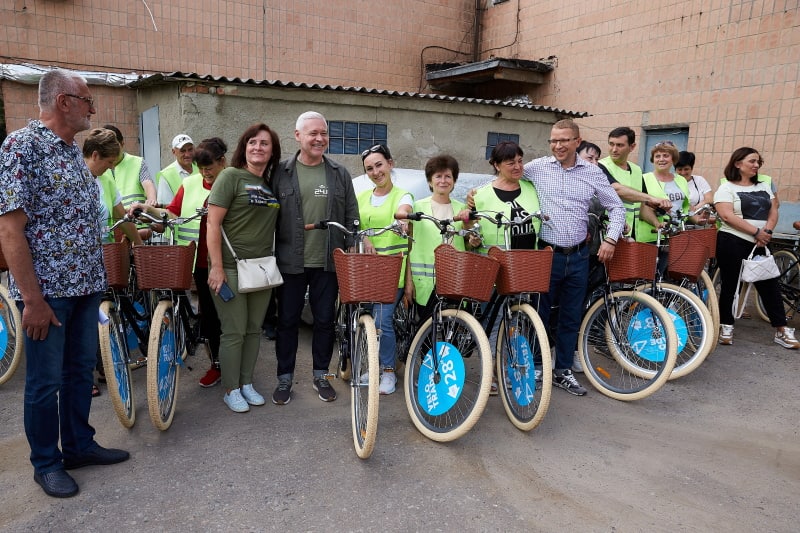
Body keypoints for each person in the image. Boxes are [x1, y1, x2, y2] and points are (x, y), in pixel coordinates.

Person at [0, 69, 129, 499]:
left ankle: (78, 446)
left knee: (77, 374)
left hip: (86, 285)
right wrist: (32, 301)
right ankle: (46, 463)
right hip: (48, 294)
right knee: (44, 381)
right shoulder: (22, 147)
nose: (93, 109)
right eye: (88, 100)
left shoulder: (73, 151)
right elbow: (10, 231)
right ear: (64, 102)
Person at [523, 119, 625, 396]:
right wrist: (474, 196)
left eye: (564, 140)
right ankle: (536, 366)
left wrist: (611, 238)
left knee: (571, 316)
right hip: (547, 254)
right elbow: (506, 179)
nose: (558, 145)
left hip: (579, 255)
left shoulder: (593, 173)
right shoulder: (537, 168)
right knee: (539, 315)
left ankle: (563, 370)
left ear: (577, 142)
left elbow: (616, 207)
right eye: (554, 140)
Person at [272, 111, 359, 405]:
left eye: (323, 133)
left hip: (328, 261)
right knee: (287, 321)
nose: (319, 138)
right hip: (289, 260)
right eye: (313, 133)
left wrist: (357, 244)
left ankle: (321, 375)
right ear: (298, 136)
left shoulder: (339, 173)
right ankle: (285, 378)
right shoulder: (280, 173)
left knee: (324, 321)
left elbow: (351, 216)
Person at [130, 138, 227, 388]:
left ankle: (237, 368)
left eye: (210, 167)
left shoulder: (233, 181)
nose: (206, 173)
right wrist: (146, 209)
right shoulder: (190, 183)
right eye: (201, 168)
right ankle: (217, 363)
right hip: (200, 262)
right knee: (210, 318)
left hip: (229, 262)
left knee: (231, 319)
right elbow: (171, 213)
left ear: (222, 162)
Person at [206, 124, 281, 412]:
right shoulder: (230, 177)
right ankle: (231, 388)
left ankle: (247, 383)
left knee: (253, 330)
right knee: (233, 331)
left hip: (261, 268)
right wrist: (216, 267)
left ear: (272, 151)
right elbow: (213, 223)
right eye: (252, 142)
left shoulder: (269, 184)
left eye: (264, 143)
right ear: (244, 147)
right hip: (231, 267)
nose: (258, 147)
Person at [713, 147, 798, 349]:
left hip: (760, 243)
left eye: (758, 162)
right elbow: (727, 216)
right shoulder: (726, 188)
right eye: (752, 161)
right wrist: (755, 232)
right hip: (732, 241)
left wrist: (766, 232)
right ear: (737, 163)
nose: (756, 165)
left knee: (769, 285)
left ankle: (782, 330)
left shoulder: (763, 186)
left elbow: (773, 210)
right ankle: (726, 326)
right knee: (730, 285)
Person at [357, 144, 413, 395]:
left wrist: (402, 219)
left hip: (393, 270)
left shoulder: (403, 195)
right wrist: (364, 237)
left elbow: (405, 211)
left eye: (379, 165)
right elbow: (356, 223)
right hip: (367, 270)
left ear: (390, 164)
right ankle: (375, 365)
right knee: (368, 320)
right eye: (369, 168)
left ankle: (389, 371)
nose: (375, 171)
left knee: (383, 321)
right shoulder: (361, 198)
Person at [406, 155, 469, 322]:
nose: (443, 181)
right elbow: (408, 247)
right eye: (438, 176)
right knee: (426, 331)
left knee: (454, 330)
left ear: (454, 181)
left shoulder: (462, 209)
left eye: (448, 176)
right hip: (425, 283)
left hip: (455, 281)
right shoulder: (417, 208)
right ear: (429, 181)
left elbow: (468, 243)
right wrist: (408, 282)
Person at [598, 127, 672, 239]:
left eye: (619, 145)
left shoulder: (637, 170)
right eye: (611, 144)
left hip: (631, 233)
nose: (614, 149)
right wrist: (651, 198)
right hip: (607, 233)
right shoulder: (600, 166)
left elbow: (642, 206)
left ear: (632, 147)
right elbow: (616, 189)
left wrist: (657, 224)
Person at [84, 128, 144, 247]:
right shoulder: (73, 178)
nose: (112, 167)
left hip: (107, 254)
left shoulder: (107, 179)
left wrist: (140, 245)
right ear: (95, 155)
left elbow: (122, 218)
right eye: (110, 162)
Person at [101, 124, 157, 208]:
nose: (112, 153)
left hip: (137, 218)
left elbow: (148, 183)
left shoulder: (137, 162)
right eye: (108, 149)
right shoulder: (100, 167)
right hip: (113, 220)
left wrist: (151, 201)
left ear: (122, 143)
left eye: (116, 148)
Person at [156, 134, 198, 206]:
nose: (187, 154)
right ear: (173, 152)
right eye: (183, 151)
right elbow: (166, 206)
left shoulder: (201, 166)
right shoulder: (166, 175)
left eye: (190, 149)